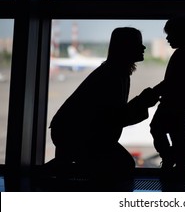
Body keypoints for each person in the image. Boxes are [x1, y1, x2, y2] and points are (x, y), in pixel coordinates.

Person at [48, 27, 159, 178]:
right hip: (75, 134)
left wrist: (143, 102)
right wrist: (143, 102)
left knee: (120, 165)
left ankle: (51, 172)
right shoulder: (113, 76)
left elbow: (111, 117)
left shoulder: (114, 72)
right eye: (137, 43)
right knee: (122, 166)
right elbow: (114, 117)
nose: (143, 47)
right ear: (125, 47)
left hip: (70, 131)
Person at [150, 15, 185, 170]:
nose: (168, 39)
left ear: (180, 35)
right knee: (178, 133)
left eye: (170, 35)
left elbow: (171, 82)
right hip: (181, 103)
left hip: (173, 103)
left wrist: (154, 92)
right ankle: (180, 162)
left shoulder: (182, 54)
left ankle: (171, 158)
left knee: (158, 128)